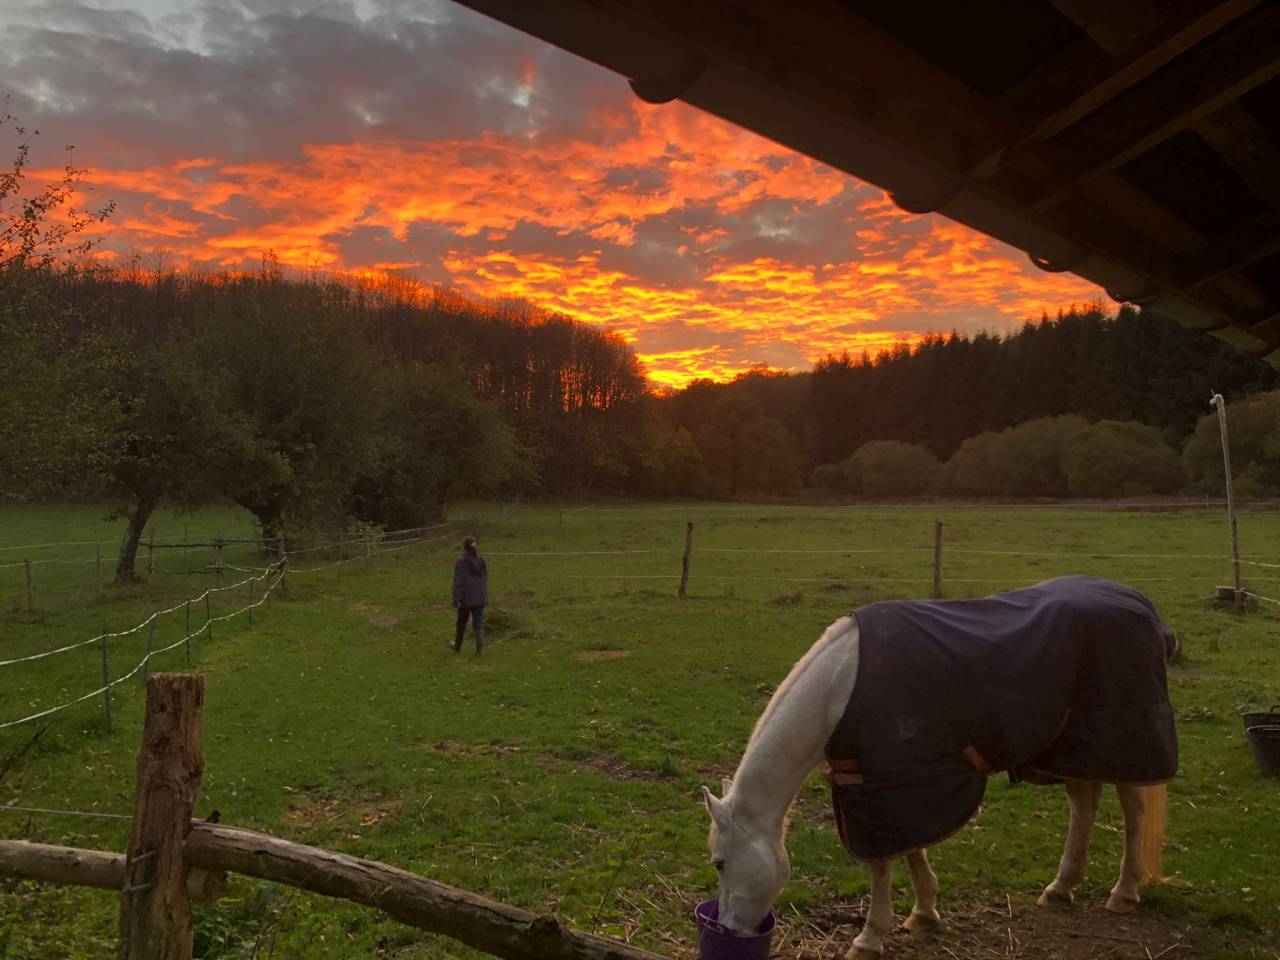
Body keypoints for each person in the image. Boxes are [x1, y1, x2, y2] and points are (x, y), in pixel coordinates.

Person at [451, 535, 488, 654]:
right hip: (480, 596)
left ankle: (457, 646)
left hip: (466, 598)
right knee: (478, 622)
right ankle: (479, 650)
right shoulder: (481, 560)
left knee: (461, 622)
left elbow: (458, 582)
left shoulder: (461, 562)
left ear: (464, 547)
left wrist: (457, 599)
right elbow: (485, 578)